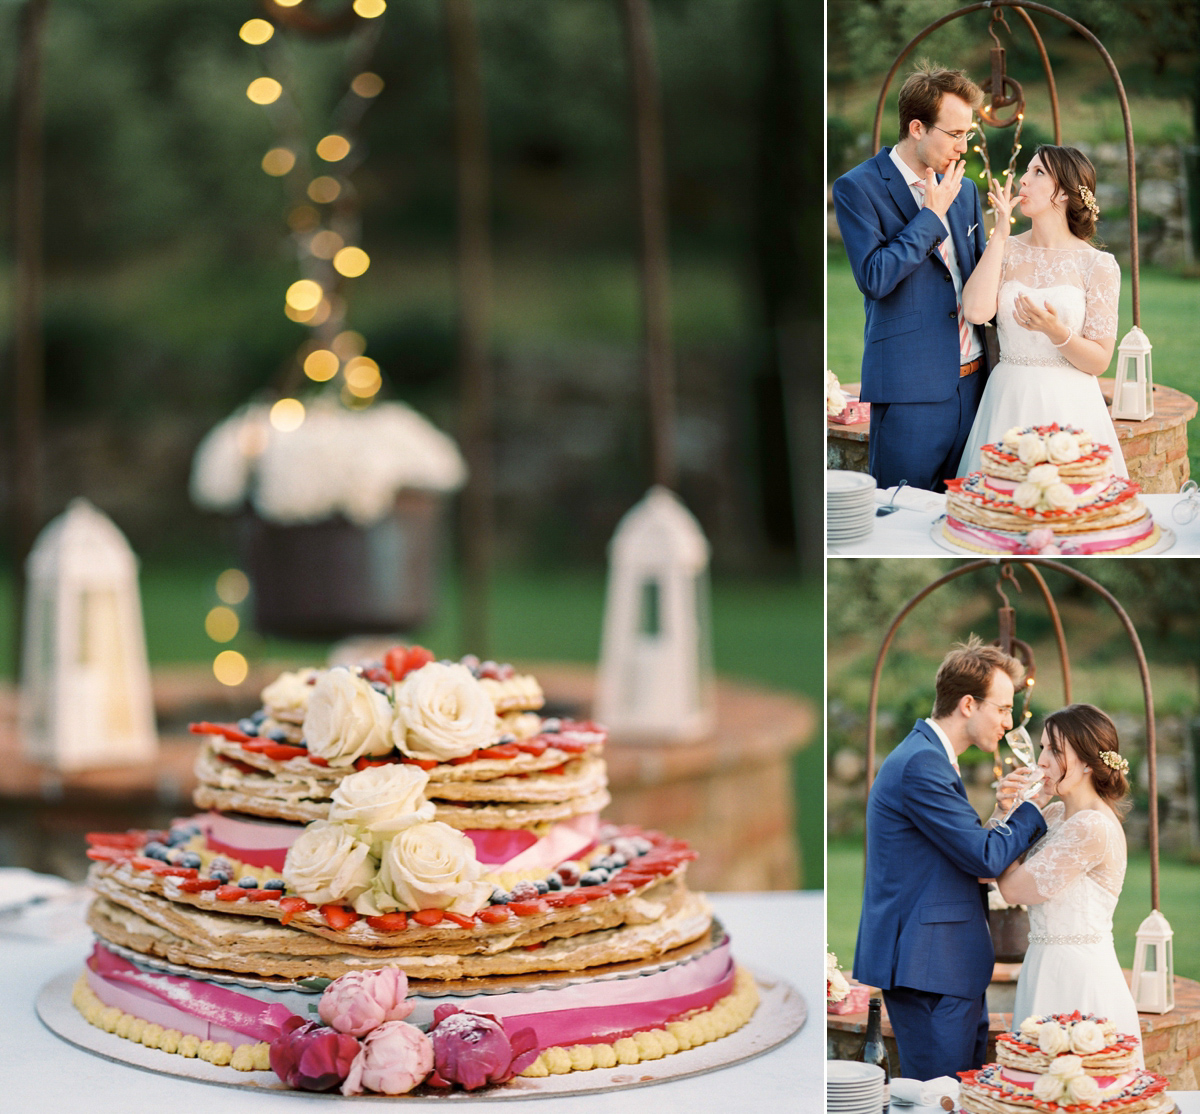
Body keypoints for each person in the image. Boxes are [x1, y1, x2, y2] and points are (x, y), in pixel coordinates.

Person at [854, 637, 1048, 1082]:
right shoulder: (923, 763)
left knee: (959, 1095)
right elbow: (983, 860)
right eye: (1001, 708)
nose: (1008, 721)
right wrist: (1037, 805)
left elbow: (953, 854)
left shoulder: (929, 756)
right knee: (939, 1097)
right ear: (967, 704)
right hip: (930, 967)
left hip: (943, 966)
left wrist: (1002, 812)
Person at [833, 64, 989, 493]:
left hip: (977, 385)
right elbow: (875, 277)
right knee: (900, 513)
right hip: (909, 391)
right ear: (917, 127)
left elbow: (976, 278)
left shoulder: (967, 190)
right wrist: (931, 217)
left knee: (967, 517)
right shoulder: (856, 188)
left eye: (967, 135)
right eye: (954, 135)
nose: (963, 147)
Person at [956, 147, 1124, 477]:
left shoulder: (1098, 265)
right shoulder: (1006, 249)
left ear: (1062, 193)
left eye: (1038, 173)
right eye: (1027, 170)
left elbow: (1100, 361)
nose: (1023, 179)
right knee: (999, 504)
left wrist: (1056, 331)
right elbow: (975, 311)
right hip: (1007, 398)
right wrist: (1000, 235)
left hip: (1071, 405)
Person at [993, 704, 1143, 1064]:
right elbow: (986, 866)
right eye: (1043, 747)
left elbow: (1011, 889)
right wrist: (1004, 812)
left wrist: (1019, 815)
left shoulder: (1091, 826)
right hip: (1041, 965)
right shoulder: (1055, 813)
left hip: (1077, 977)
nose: (1042, 760)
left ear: (1089, 763)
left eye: (1055, 751)